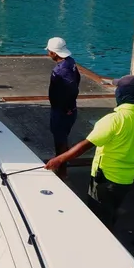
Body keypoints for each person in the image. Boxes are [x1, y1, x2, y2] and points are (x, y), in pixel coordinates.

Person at [45, 75, 134, 229]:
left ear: (122, 93)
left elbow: (86, 145)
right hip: (127, 178)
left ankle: (102, 241)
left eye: (118, 89)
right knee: (112, 209)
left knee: (97, 216)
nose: (116, 92)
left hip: (105, 179)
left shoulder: (113, 119)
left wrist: (59, 159)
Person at [45, 37, 81, 181]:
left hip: (62, 111)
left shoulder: (60, 71)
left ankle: (61, 171)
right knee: (62, 138)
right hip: (68, 109)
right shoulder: (70, 62)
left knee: (60, 140)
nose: (48, 53)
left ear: (54, 53)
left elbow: (72, 89)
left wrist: (67, 108)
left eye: (49, 51)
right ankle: (60, 163)